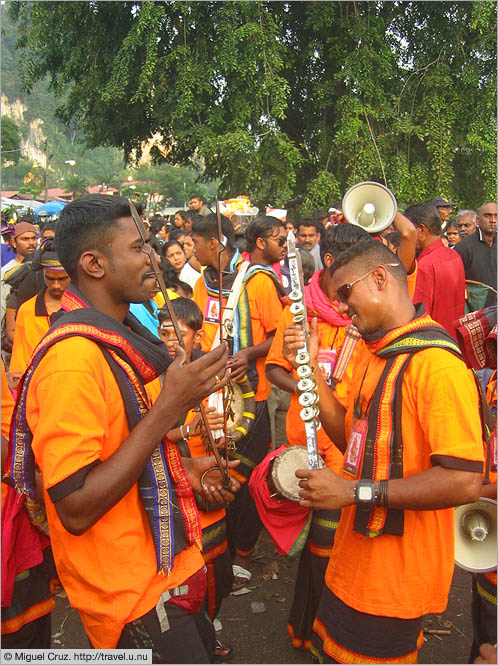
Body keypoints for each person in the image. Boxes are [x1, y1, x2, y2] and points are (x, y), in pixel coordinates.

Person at [7, 194, 240, 662]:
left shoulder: (122, 337)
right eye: (139, 248)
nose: (155, 257)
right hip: (129, 597)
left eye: (151, 244)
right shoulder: (73, 360)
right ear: (94, 264)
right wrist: (170, 406)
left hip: (164, 571)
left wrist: (184, 472)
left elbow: (125, 448)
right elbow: (73, 506)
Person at [284, 239, 484, 664]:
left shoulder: (438, 367)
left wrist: (352, 492)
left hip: (394, 578)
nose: (340, 309)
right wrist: (308, 367)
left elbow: (463, 480)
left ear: (379, 279)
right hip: (353, 562)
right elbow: (353, 445)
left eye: (345, 294)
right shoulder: (377, 353)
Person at [265, 224, 369, 652]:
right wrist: (307, 384)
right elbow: (274, 369)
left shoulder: (364, 313)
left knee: (341, 544)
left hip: (350, 445)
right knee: (316, 549)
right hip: (308, 442)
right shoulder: (297, 312)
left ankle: (327, 629)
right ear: (331, 264)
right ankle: (308, 630)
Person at [192, 213, 284, 584]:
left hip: (253, 394)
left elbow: (279, 336)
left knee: (245, 475)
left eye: (196, 243)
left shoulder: (258, 282)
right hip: (213, 394)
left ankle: (243, 550)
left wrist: (248, 354)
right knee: (216, 467)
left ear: (215, 243)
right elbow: (199, 328)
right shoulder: (204, 281)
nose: (193, 249)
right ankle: (220, 549)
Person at [158, 298, 235, 662]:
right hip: (176, 495)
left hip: (209, 485)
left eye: (178, 333)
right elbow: (150, 435)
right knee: (189, 583)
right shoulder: (153, 374)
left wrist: (229, 432)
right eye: (163, 332)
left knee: (220, 574)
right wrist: (187, 428)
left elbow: (238, 406)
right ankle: (201, 635)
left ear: (197, 336)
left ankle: (207, 627)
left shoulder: (211, 370)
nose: (169, 340)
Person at [9, 241, 70, 377]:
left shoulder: (85, 307)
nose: (55, 285)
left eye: (62, 279)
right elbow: (19, 362)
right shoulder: (27, 310)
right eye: (49, 279)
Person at [405, 202, 465, 339]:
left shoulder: (424, 265)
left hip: (433, 342)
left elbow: (419, 316)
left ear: (421, 230)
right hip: (452, 339)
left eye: (408, 232)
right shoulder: (453, 255)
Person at [454, 202, 497, 310]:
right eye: (487, 215)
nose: (492, 220)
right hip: (475, 313)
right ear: (478, 220)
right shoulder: (464, 247)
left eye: (496, 216)